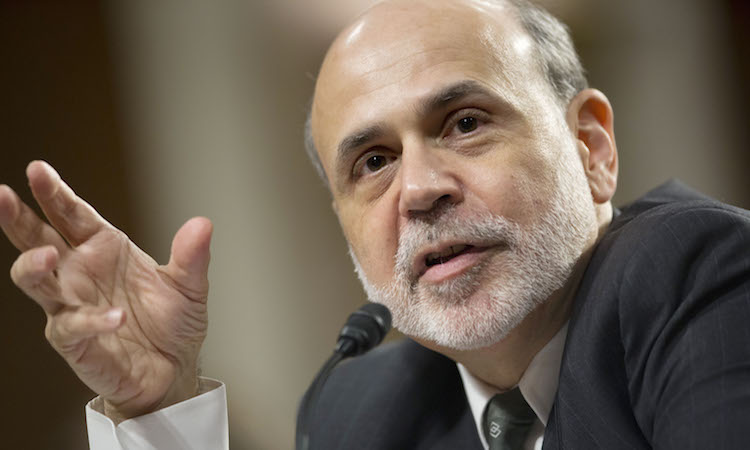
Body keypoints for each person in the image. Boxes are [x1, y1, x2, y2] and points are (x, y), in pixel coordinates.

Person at [1, 0, 748, 449]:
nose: (419, 190)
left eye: (464, 123)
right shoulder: (364, 412)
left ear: (591, 148)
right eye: (373, 162)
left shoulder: (696, 277)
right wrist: (159, 409)